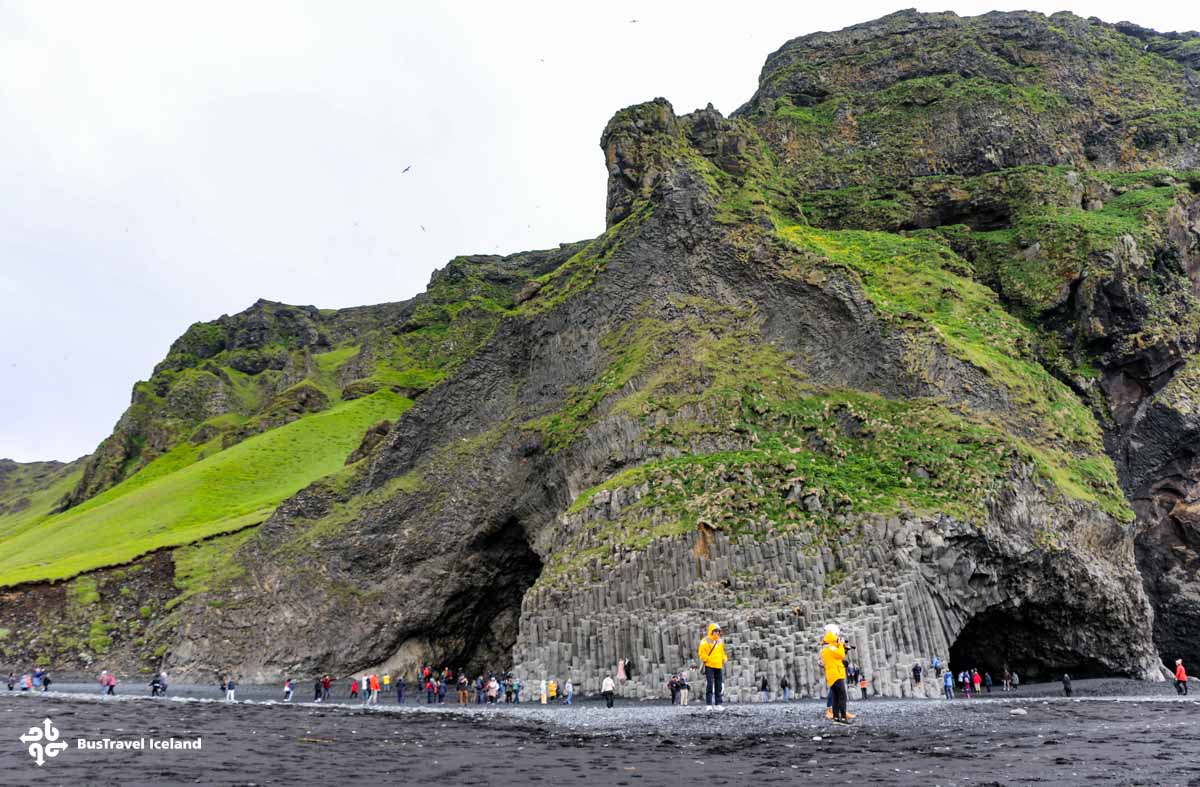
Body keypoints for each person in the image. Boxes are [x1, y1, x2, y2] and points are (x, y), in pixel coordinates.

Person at [820, 630, 849, 724]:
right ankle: (843, 717)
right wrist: (840, 644)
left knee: (836, 697)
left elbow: (837, 658)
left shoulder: (825, 650)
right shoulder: (831, 649)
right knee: (842, 696)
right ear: (832, 640)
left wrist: (839, 645)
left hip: (831, 676)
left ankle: (836, 717)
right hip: (837, 675)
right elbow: (841, 654)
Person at [698, 623, 728, 710]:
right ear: (711, 631)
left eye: (718, 631)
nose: (716, 633)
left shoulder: (720, 641)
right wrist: (708, 659)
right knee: (710, 685)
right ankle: (708, 705)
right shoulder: (705, 640)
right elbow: (701, 653)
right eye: (715, 631)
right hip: (709, 666)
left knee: (719, 685)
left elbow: (722, 652)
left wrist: (725, 658)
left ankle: (718, 704)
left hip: (718, 666)